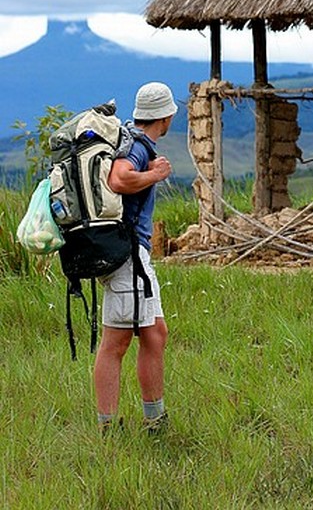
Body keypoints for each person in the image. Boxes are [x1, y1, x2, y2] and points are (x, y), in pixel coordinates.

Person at [93, 82, 177, 435]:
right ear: (166, 116)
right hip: (127, 252)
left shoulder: (132, 139)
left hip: (132, 253)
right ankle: (109, 427)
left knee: (155, 333)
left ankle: (154, 419)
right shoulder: (138, 146)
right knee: (117, 341)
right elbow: (119, 178)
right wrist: (156, 174)